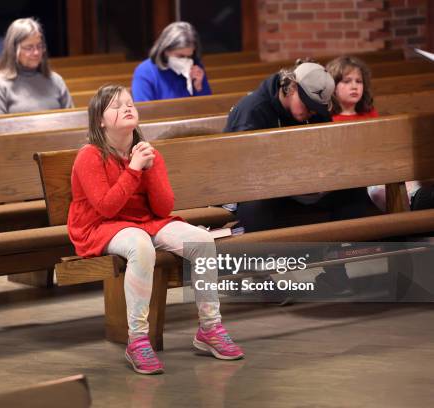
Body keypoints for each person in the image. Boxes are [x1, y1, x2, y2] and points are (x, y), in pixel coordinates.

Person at [68, 84, 244, 375]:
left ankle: (210, 329)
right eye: (116, 105)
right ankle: (137, 340)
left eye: (129, 103)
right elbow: (106, 208)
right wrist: (134, 169)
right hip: (101, 225)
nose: (126, 107)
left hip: (145, 221)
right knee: (140, 245)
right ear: (99, 120)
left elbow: (163, 208)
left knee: (202, 240)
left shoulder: (147, 153)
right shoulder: (90, 156)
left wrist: (148, 169)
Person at [224, 60, 373, 295]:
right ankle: (257, 272)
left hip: (301, 187)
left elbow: (325, 149)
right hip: (255, 190)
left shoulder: (315, 111)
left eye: (317, 108)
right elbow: (241, 169)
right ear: (291, 87)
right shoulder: (253, 110)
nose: (312, 112)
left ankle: (335, 267)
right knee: (257, 205)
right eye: (308, 104)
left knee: (352, 192)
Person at [327, 55, 433, 211]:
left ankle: (416, 202)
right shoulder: (331, 119)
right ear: (333, 86)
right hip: (356, 175)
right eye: (347, 81)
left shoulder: (369, 113)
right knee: (379, 190)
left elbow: (382, 143)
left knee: (411, 176)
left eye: (359, 81)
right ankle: (410, 210)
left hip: (380, 165)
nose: (354, 86)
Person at [0, 18, 73, 115]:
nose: (36, 52)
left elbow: (72, 121)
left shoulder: (56, 80)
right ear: (14, 50)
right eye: (29, 47)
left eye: (39, 46)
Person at [131, 21, 211, 102]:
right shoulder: (145, 71)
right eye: (180, 56)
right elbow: (143, 110)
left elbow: (208, 107)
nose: (186, 61)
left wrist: (199, 87)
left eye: (189, 56)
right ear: (165, 50)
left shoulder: (196, 67)